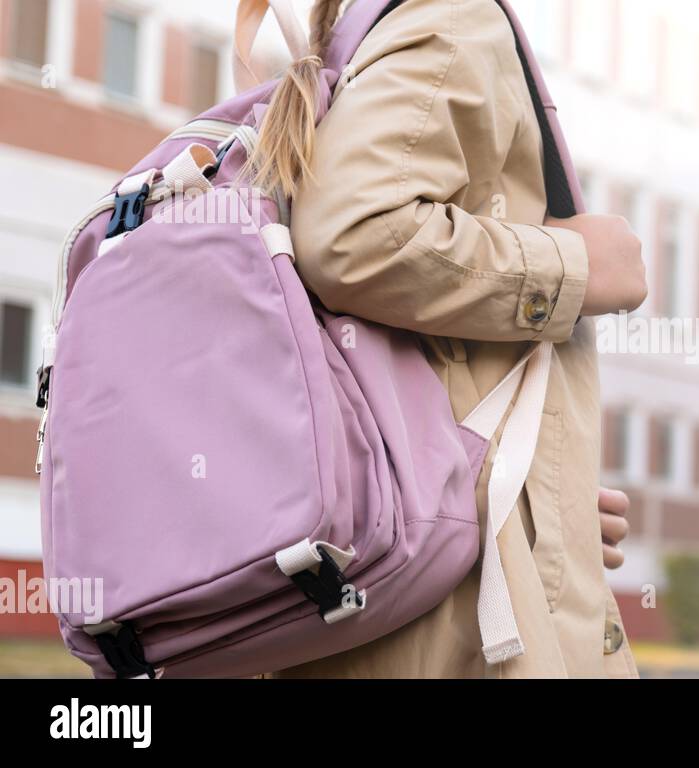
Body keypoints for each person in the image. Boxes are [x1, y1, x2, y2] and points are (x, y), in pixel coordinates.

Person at [260, 0, 646, 678]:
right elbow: (353, 236)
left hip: (404, 576)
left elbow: (401, 356)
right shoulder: (453, 17)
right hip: (457, 610)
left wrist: (551, 500)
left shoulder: (355, 38)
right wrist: (576, 267)